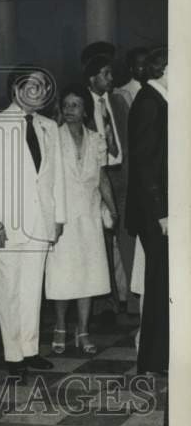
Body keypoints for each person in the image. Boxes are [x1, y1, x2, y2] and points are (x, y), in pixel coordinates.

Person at [0, 67, 66, 376]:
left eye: (45, 86)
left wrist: (59, 217)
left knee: (32, 290)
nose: (42, 92)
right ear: (16, 89)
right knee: (8, 289)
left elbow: (57, 178)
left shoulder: (49, 127)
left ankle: (30, 350)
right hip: (7, 224)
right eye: (36, 86)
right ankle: (13, 355)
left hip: (41, 222)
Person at [44, 85, 118, 356]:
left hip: (89, 216)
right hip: (62, 217)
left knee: (88, 274)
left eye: (75, 105)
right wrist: (51, 216)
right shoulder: (52, 137)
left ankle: (83, 329)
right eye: (66, 105)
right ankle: (61, 326)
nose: (70, 110)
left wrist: (113, 209)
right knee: (63, 274)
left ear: (85, 109)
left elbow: (102, 178)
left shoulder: (97, 139)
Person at [125, 47, 168, 374]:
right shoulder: (150, 102)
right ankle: (153, 360)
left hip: (160, 210)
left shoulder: (159, 99)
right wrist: (163, 213)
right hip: (156, 214)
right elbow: (146, 165)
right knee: (159, 286)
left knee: (163, 285)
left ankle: (160, 356)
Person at [85, 52, 133, 320]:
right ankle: (106, 303)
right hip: (97, 179)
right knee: (101, 241)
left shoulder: (118, 101)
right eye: (106, 74)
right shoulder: (80, 106)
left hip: (121, 175)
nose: (111, 79)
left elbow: (128, 141)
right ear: (92, 77)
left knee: (128, 236)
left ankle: (132, 299)